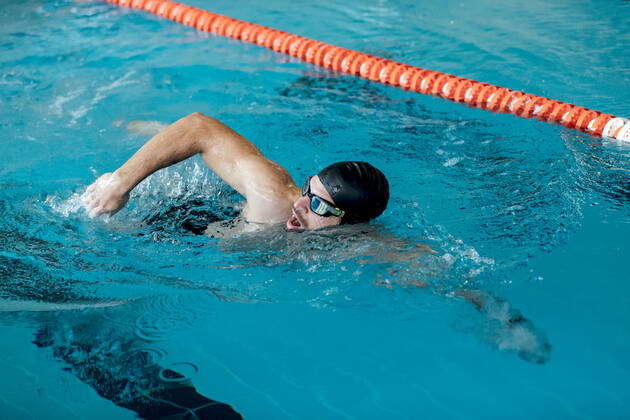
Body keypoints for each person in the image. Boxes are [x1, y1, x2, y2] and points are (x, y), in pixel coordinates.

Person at [84, 112, 389, 234]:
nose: (301, 204)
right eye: (309, 190)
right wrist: (121, 181)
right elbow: (200, 127)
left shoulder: (355, 240)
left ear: (351, 223)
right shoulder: (273, 198)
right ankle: (153, 133)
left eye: (319, 205)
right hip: (198, 224)